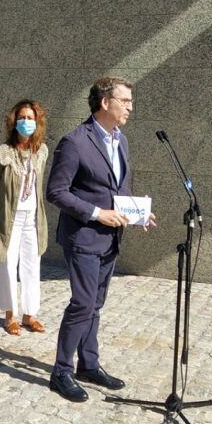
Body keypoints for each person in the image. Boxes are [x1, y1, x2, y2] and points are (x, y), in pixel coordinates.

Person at [45, 76, 155, 403]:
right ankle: (61, 371)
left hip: (111, 237)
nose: (130, 108)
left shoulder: (121, 140)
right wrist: (97, 213)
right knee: (82, 303)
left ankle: (88, 364)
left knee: (96, 303)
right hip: (83, 237)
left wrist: (137, 214)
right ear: (105, 103)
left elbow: (120, 187)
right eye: (125, 101)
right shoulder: (75, 141)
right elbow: (56, 192)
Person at [0, 100, 49, 336]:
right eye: (22, 118)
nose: (26, 122)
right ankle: (10, 314)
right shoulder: (2, 154)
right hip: (9, 216)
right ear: (14, 121)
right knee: (7, 263)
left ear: (37, 122)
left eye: (30, 118)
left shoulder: (41, 151)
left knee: (32, 263)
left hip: (32, 216)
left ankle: (30, 314)